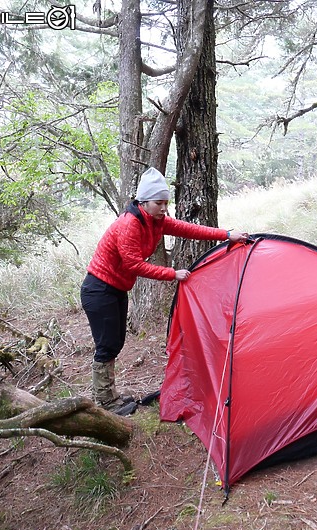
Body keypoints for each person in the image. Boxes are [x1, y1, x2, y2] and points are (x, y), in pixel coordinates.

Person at [80, 167, 248, 413]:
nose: (164, 208)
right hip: (99, 288)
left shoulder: (155, 221)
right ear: (144, 201)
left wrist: (226, 235)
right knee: (107, 344)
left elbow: (189, 229)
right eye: (159, 202)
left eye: (166, 202)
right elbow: (133, 264)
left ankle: (109, 396)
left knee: (115, 342)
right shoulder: (130, 224)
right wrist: (172, 274)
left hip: (116, 289)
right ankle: (104, 401)